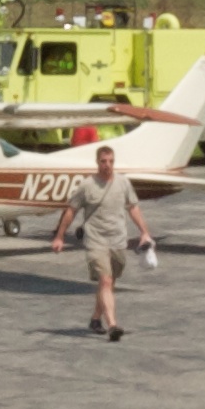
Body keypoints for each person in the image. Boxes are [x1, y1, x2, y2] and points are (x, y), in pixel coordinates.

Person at [49, 138, 153, 340]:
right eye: (104, 161)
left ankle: (96, 318)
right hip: (96, 241)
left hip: (118, 240)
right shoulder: (87, 185)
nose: (107, 165)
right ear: (97, 162)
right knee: (105, 281)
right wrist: (60, 236)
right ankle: (112, 325)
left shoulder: (123, 183)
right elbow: (71, 210)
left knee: (109, 283)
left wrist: (144, 232)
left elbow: (133, 207)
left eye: (111, 161)